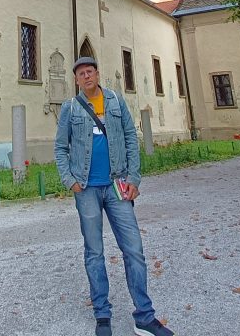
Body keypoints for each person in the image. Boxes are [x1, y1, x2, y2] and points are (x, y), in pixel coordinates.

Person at [54, 56, 175, 336]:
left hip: (117, 185)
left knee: (134, 249)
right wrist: (69, 180)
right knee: (94, 252)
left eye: (90, 72)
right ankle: (102, 316)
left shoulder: (115, 101)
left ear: (98, 74)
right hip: (85, 188)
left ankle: (144, 316)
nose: (86, 77)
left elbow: (131, 138)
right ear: (76, 80)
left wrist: (134, 177)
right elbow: (60, 147)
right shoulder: (70, 108)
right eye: (81, 74)